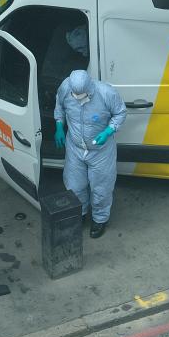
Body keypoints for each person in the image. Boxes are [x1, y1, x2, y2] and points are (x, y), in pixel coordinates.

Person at [54, 70, 127, 238]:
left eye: (81, 94)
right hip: (75, 147)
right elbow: (59, 106)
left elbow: (120, 113)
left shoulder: (106, 93)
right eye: (75, 94)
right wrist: (59, 126)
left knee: (101, 188)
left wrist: (109, 131)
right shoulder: (66, 88)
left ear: (90, 87)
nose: (77, 97)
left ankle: (100, 219)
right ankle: (79, 214)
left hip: (101, 151)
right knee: (74, 185)